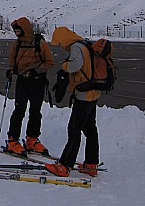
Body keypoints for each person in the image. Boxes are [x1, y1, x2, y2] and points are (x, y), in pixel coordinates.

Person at [45, 26, 102, 178]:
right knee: (90, 130)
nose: (62, 47)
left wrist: (64, 66)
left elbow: (74, 66)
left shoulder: (76, 47)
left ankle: (65, 166)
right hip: (93, 93)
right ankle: (91, 165)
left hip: (83, 96)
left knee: (74, 130)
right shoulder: (85, 44)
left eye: (60, 43)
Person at [5, 17, 54, 155]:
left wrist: (35, 71)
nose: (17, 34)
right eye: (15, 31)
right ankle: (13, 140)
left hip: (37, 82)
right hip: (22, 81)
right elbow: (12, 58)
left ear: (25, 30)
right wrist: (11, 70)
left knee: (35, 112)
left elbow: (49, 63)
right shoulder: (18, 44)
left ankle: (32, 139)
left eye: (19, 31)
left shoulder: (40, 43)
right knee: (19, 110)